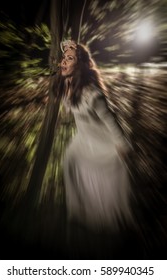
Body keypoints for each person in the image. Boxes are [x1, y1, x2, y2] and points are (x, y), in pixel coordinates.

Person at [53, 40, 134, 233]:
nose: (63, 62)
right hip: (83, 139)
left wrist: (122, 145)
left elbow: (110, 120)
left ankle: (106, 218)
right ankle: (79, 212)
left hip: (102, 141)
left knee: (104, 178)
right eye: (64, 58)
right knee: (70, 162)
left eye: (70, 58)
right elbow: (65, 101)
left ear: (80, 65)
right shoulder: (66, 85)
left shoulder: (93, 94)